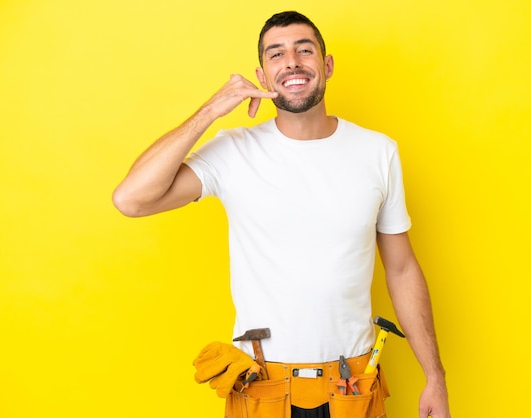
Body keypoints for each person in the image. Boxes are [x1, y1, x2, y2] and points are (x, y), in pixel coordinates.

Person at [113, 10, 450, 418]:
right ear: (263, 75)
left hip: (353, 387)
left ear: (326, 66)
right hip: (262, 390)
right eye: (276, 54)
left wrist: (435, 377)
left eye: (304, 50)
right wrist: (212, 109)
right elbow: (131, 199)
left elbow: (401, 268)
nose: (291, 61)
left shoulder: (378, 151)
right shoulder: (234, 151)